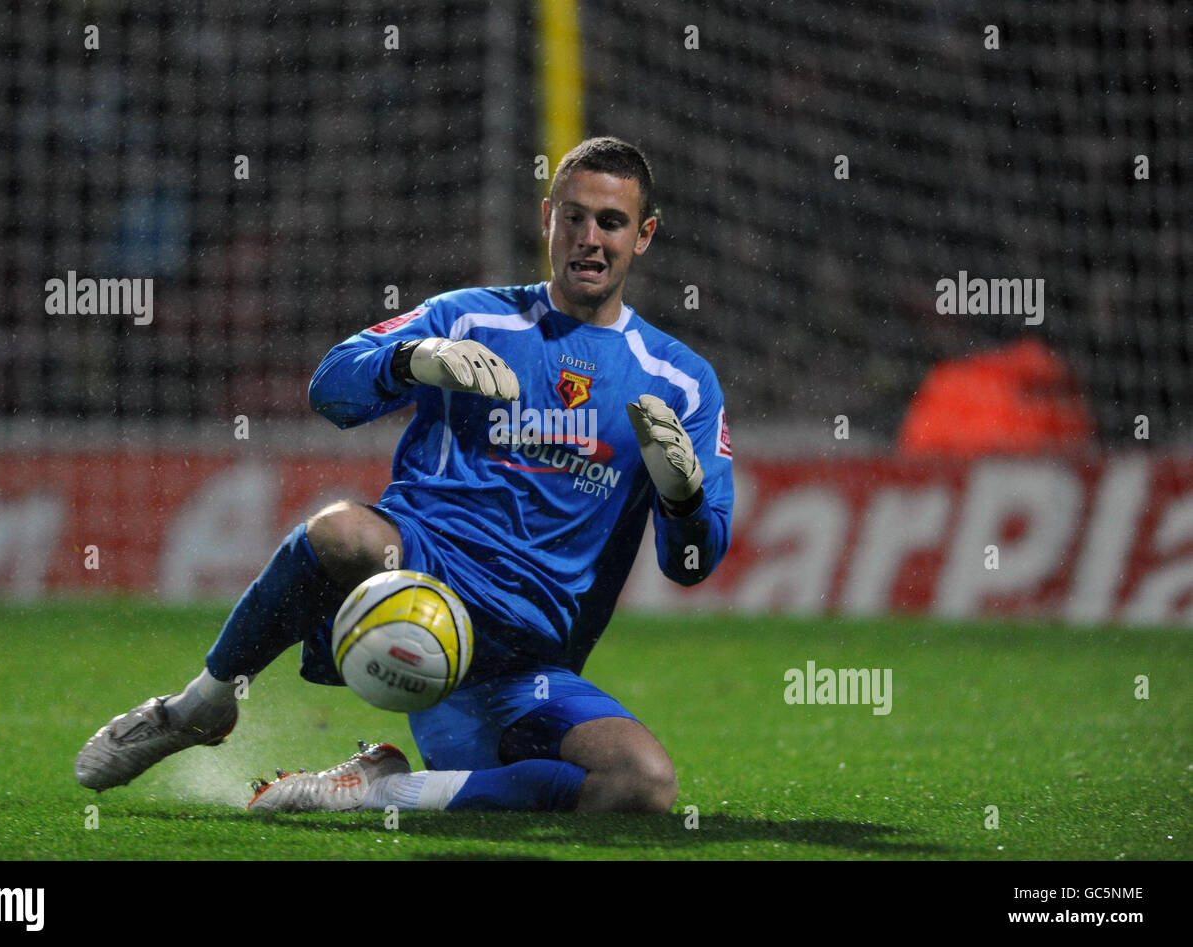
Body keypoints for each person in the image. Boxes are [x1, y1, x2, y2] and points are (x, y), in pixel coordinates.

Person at [75, 137, 734, 814]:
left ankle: (380, 789)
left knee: (643, 786)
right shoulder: (471, 317)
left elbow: (690, 563)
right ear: (547, 218)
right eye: (573, 216)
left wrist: (684, 500)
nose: (589, 238)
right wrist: (411, 359)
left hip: (527, 669)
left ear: (644, 235)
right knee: (341, 533)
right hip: (422, 593)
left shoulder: (681, 383)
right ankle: (201, 705)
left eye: (612, 222)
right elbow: (330, 389)